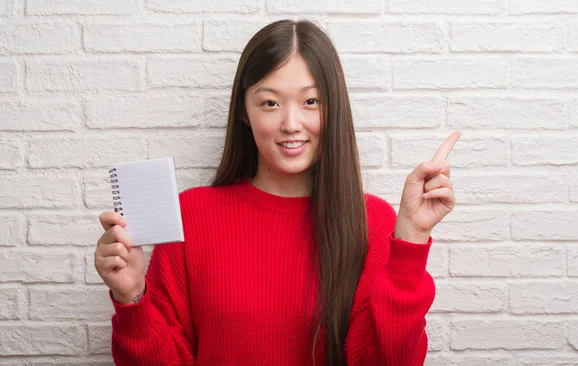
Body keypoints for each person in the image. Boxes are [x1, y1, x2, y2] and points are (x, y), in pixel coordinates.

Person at [94, 19, 460, 366]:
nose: (290, 124)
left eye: (310, 102)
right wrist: (132, 297)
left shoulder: (374, 222)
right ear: (244, 111)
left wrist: (410, 240)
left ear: (333, 109)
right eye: (270, 103)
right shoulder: (191, 216)